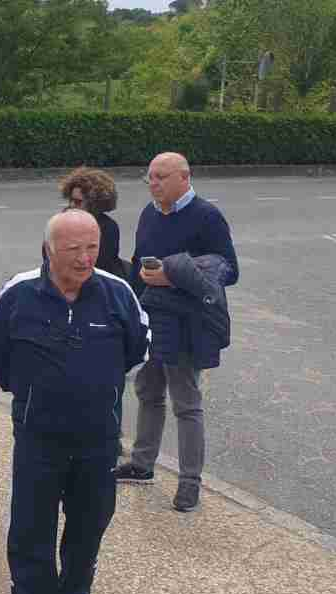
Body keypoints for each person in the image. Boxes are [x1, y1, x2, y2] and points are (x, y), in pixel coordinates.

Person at [0, 209, 148, 594]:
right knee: (31, 527)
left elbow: (138, 348)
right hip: (38, 437)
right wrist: (32, 393)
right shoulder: (19, 294)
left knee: (89, 523)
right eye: (73, 248)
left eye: (92, 247)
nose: (84, 257)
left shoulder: (118, 294)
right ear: (49, 249)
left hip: (98, 440)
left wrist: (97, 391)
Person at [115, 152, 239, 513]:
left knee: (186, 402)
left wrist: (173, 275)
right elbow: (139, 259)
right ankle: (142, 464)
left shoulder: (206, 216)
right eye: (149, 176)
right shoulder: (149, 214)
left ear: (183, 177)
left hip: (186, 323)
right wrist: (135, 294)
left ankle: (189, 483)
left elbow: (229, 270)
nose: (152, 183)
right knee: (147, 390)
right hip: (152, 319)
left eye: (160, 177)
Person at [60, 166, 125, 280]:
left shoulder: (108, 227)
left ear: (94, 203)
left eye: (78, 202)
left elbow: (102, 265)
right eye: (70, 200)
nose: (71, 205)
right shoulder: (61, 222)